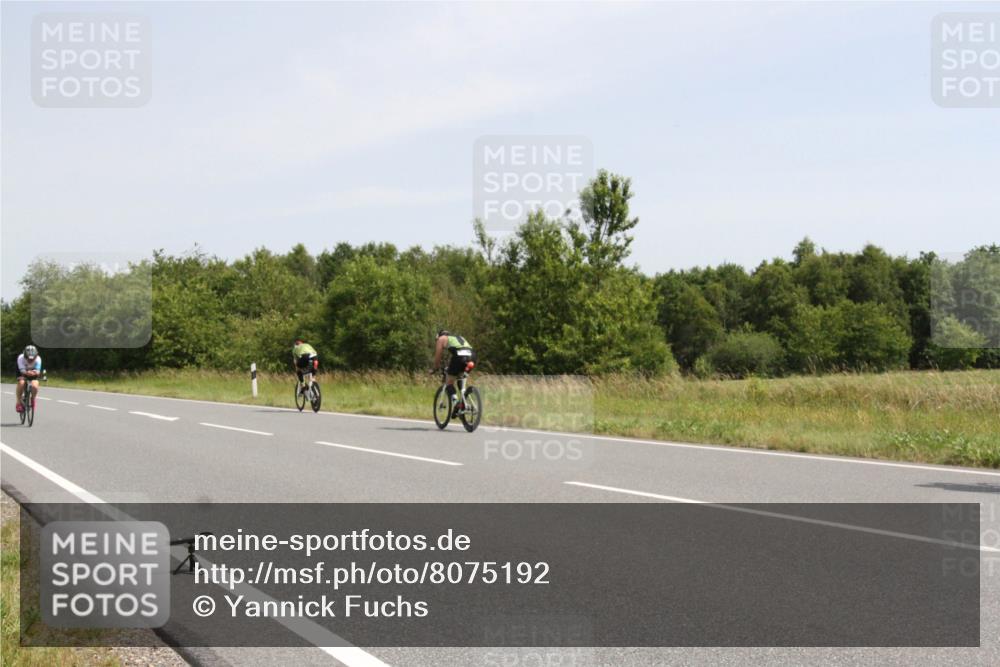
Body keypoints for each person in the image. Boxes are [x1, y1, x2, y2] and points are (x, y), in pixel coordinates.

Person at [432, 330, 477, 416]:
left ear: (439, 336)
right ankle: (463, 402)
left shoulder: (441, 339)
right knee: (461, 378)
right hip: (472, 356)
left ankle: (456, 404)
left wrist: (435, 368)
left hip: (459, 356)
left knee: (449, 382)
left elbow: (438, 356)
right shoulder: (458, 338)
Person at [15, 345, 43, 413]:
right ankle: (18, 402)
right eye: (28, 358)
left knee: (35, 386)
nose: (30, 360)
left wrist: (34, 373)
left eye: (32, 359)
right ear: (25, 356)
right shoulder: (20, 358)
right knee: (21, 383)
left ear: (36, 356)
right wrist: (27, 373)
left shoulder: (38, 359)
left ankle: (33, 399)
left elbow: (38, 371)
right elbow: (22, 371)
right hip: (22, 371)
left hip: (33, 371)